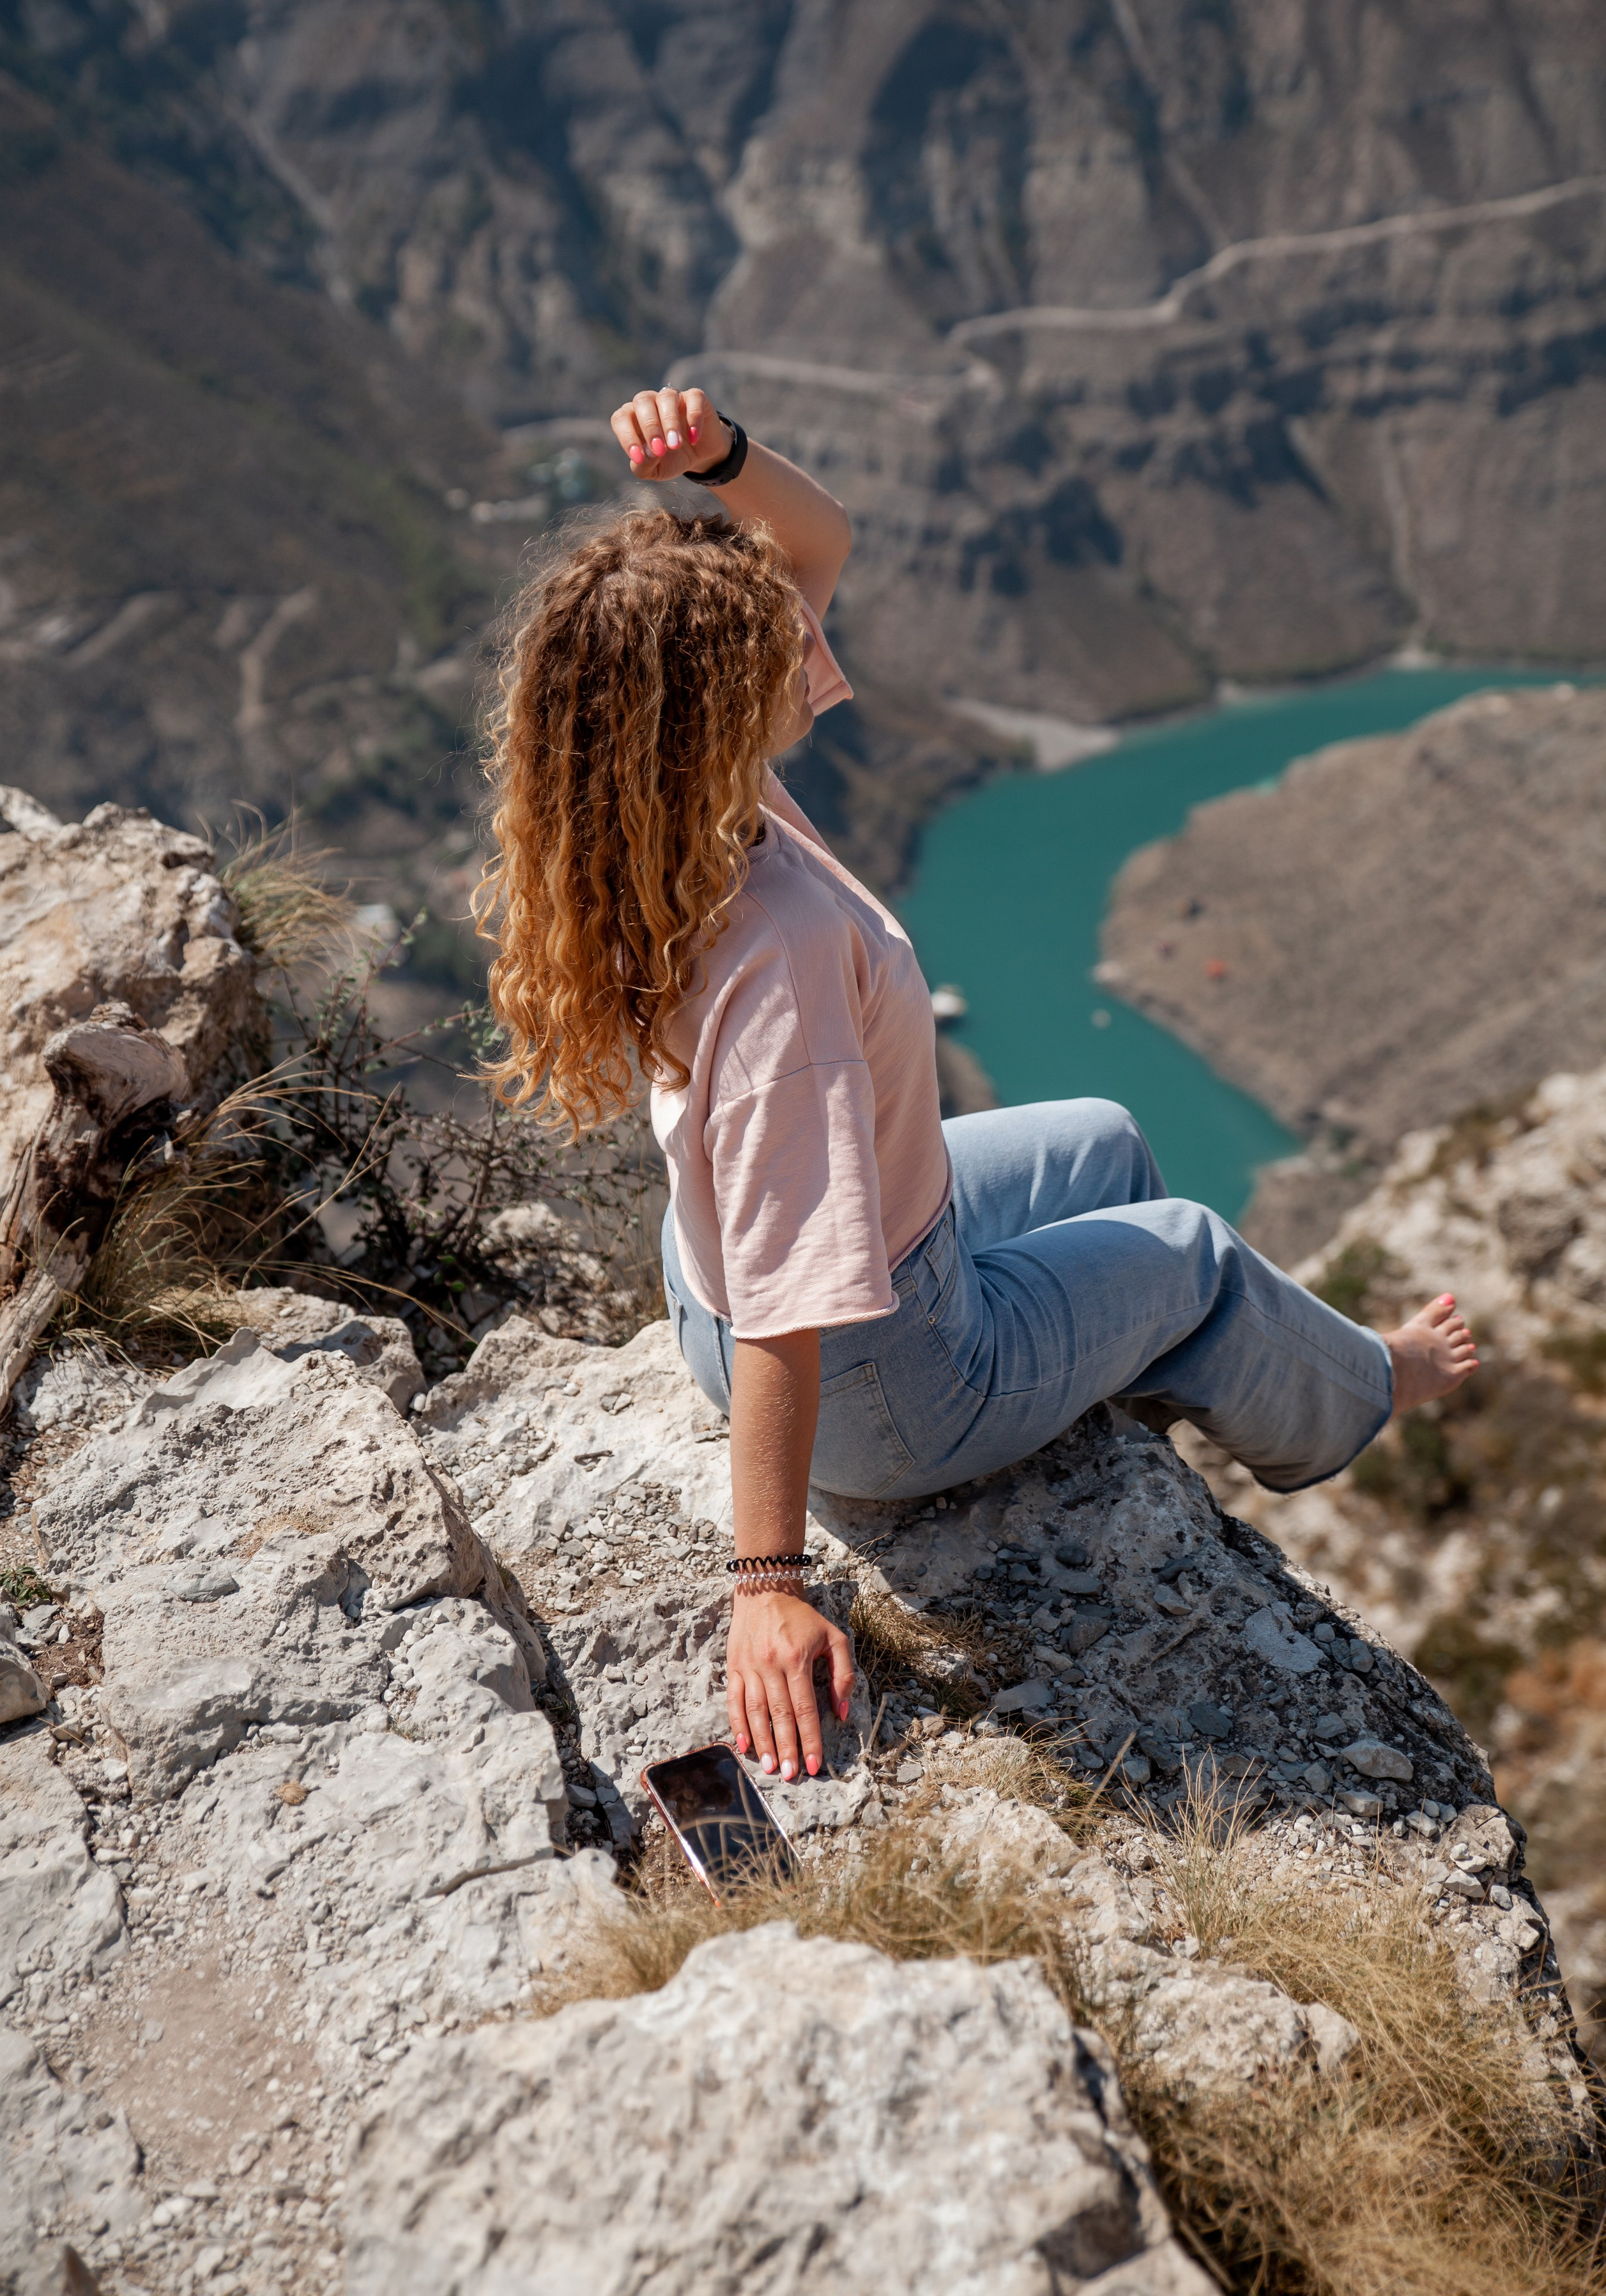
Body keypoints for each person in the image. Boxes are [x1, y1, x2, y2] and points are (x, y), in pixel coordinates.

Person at [480, 386, 1478, 1794]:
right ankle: (1369, 1383)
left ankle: (1129, 1373)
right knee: (1192, 1246)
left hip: (743, 1277)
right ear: (710, 707)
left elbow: (817, 537)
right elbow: (786, 1300)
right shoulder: (785, 953)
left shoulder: (676, 822)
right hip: (886, 1383)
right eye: (771, 642)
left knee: (1107, 1137)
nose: (803, 635)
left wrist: (716, 461)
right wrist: (764, 1581)